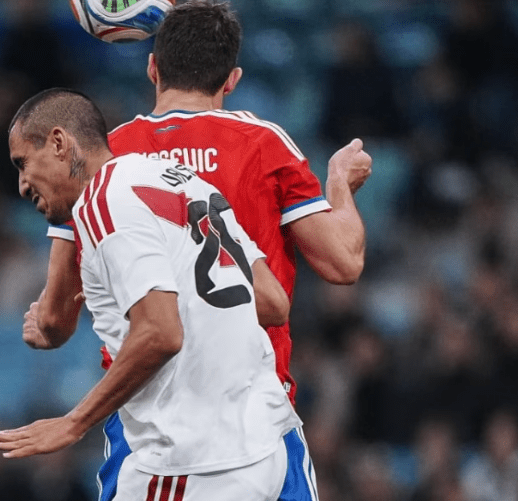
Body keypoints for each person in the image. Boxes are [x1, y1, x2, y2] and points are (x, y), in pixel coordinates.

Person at [25, 0, 371, 404]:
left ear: (152, 68)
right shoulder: (264, 145)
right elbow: (342, 264)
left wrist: (43, 327)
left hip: (146, 409)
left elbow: (55, 319)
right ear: (232, 80)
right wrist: (340, 184)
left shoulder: (102, 158)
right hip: (248, 404)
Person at [0, 88, 317, 500]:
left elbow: (161, 333)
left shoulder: (100, 203)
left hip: (195, 461)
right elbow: (272, 301)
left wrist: (74, 422)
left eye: (22, 163)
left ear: (58, 143)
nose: (21, 185)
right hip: (265, 446)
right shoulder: (182, 181)